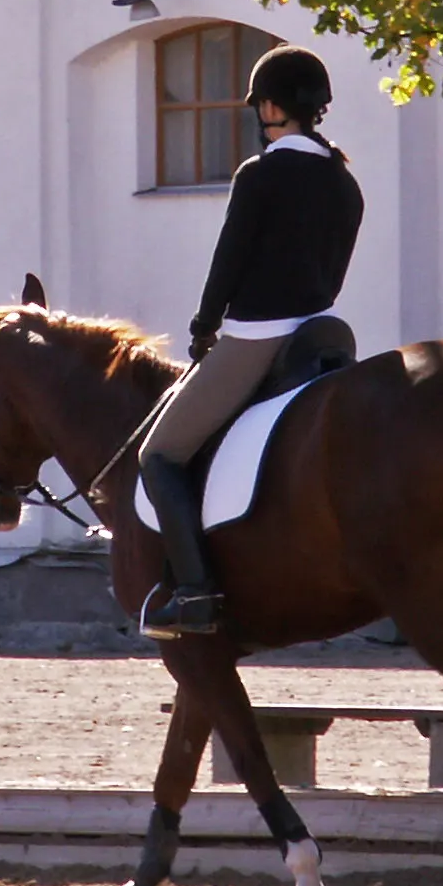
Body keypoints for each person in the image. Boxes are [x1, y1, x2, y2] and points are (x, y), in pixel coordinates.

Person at [138, 44, 363, 637]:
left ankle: (193, 595)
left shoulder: (261, 174)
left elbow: (229, 260)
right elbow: (334, 273)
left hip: (256, 336)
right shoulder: (345, 182)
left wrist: (203, 326)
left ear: (269, 106)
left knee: (158, 456)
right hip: (319, 334)